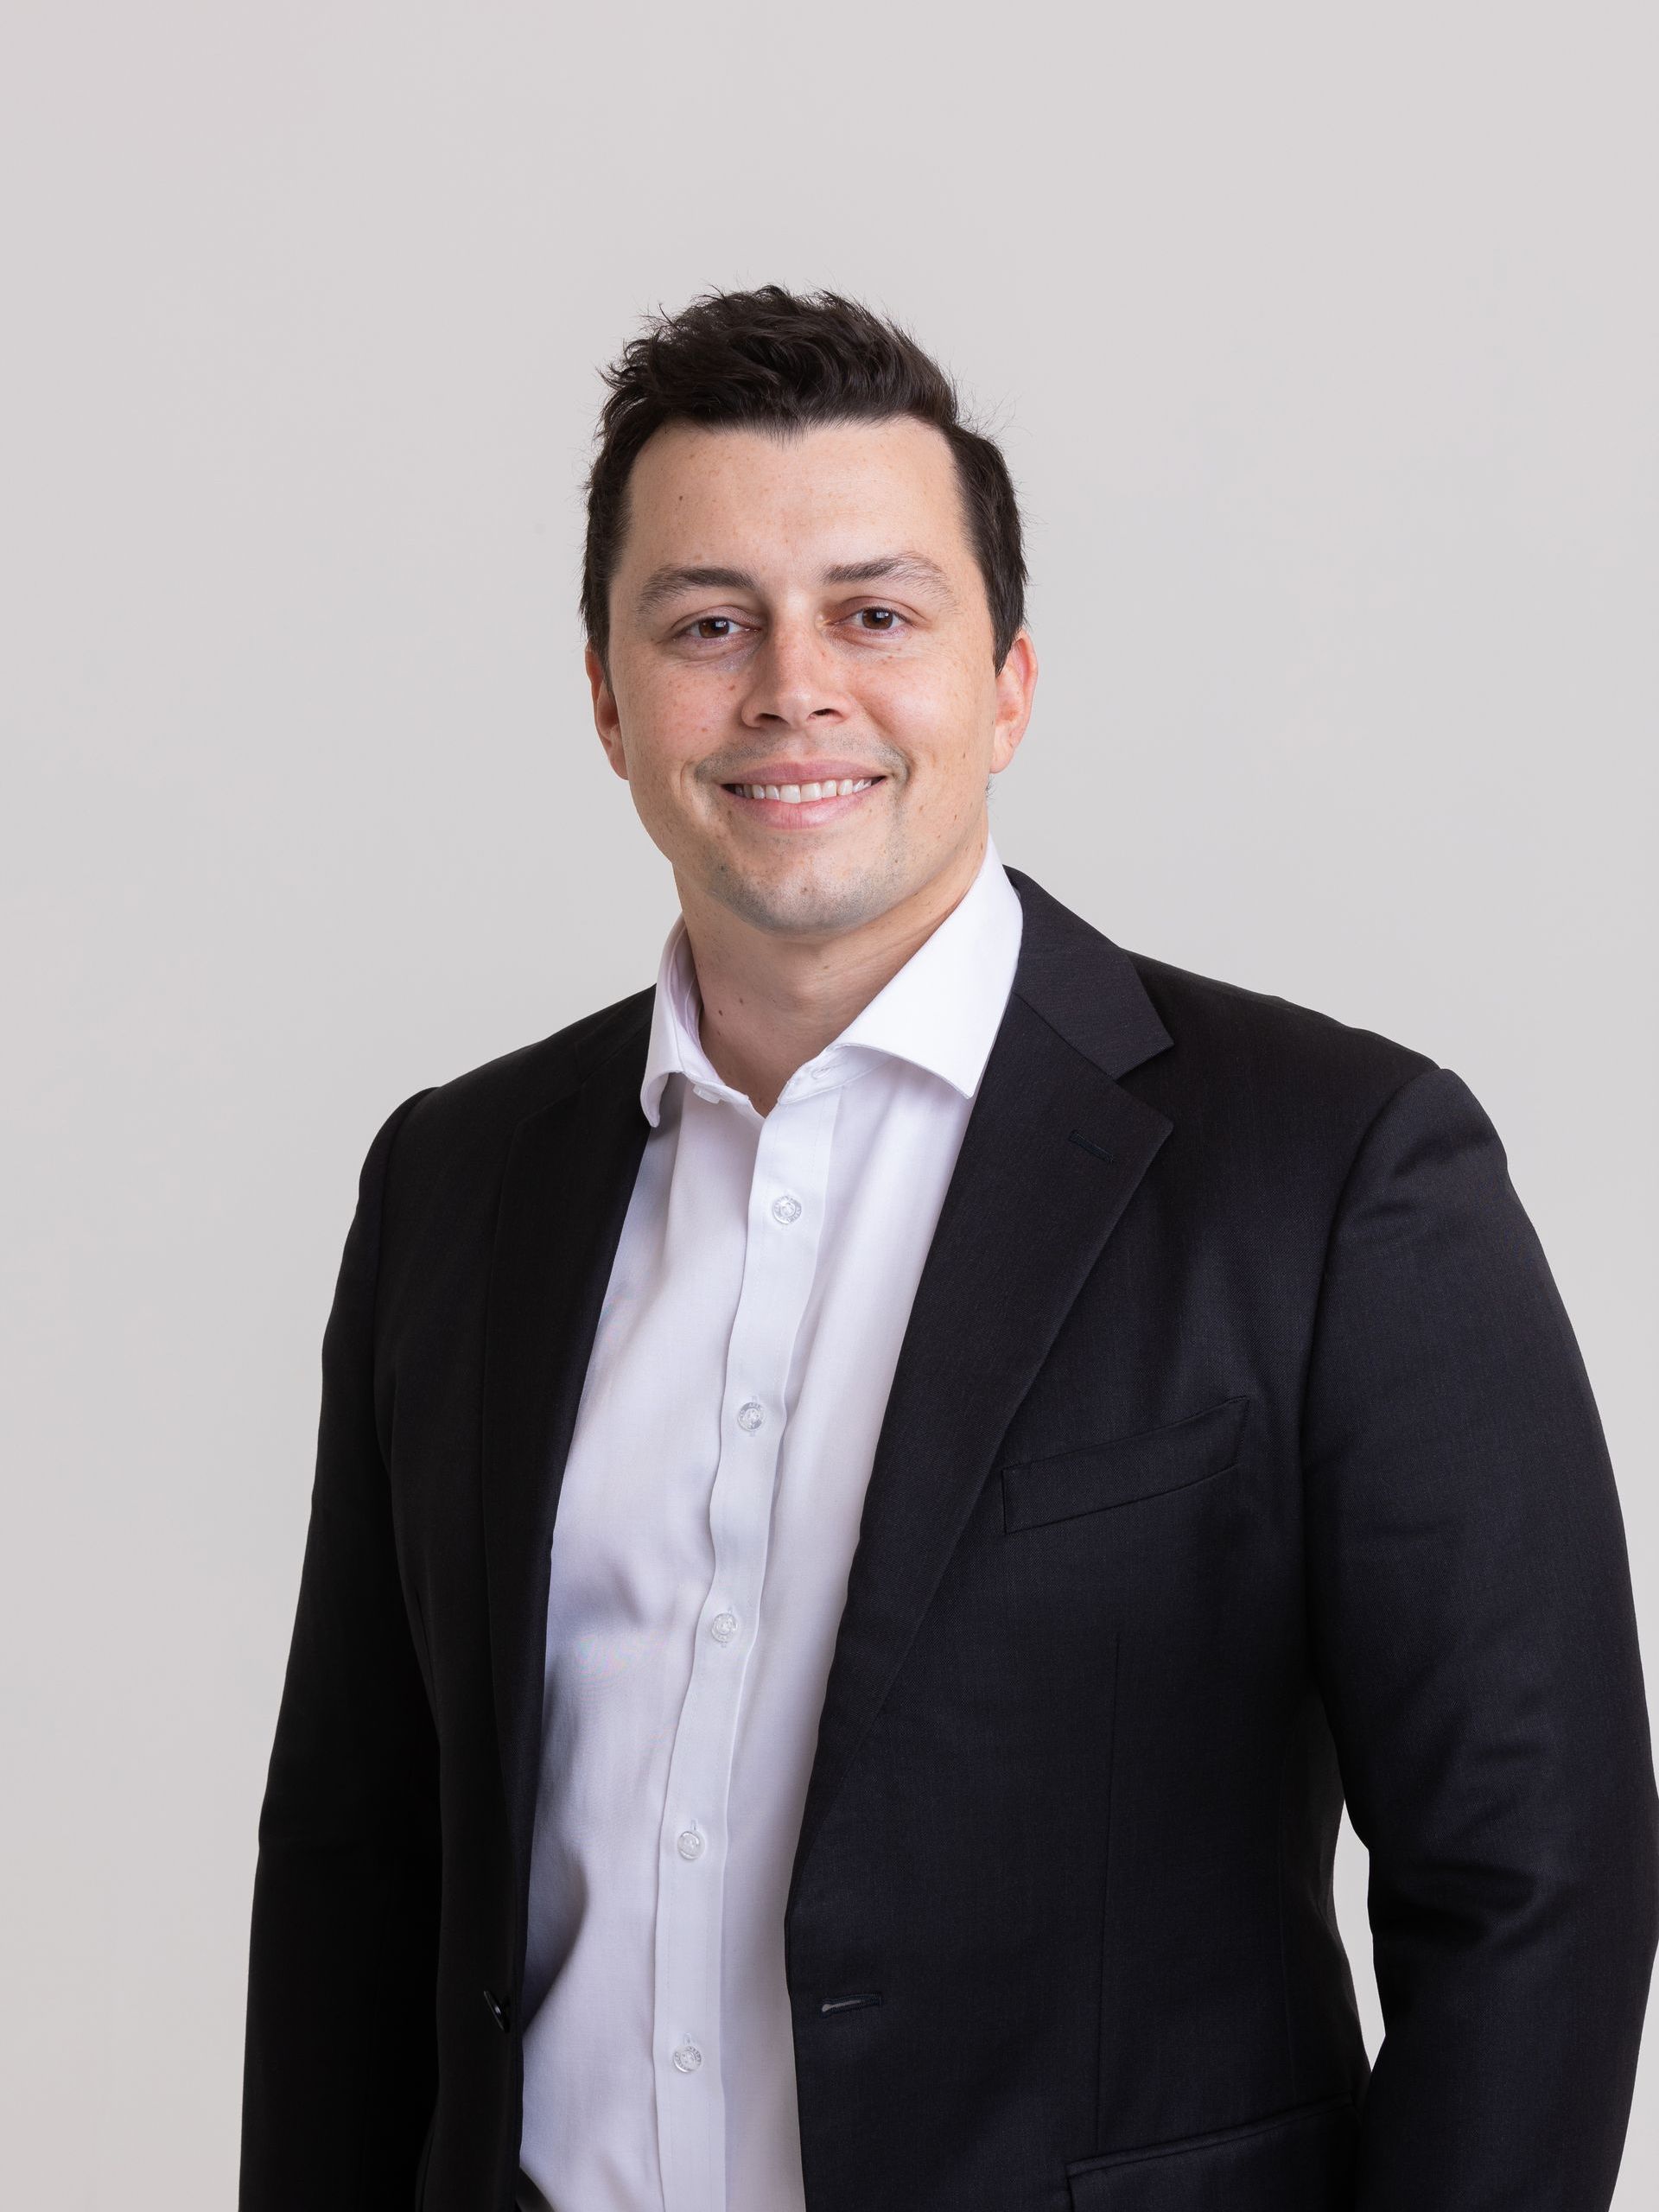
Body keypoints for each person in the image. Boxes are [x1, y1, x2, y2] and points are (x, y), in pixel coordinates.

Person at [238, 285, 1659, 2212]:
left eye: (877, 614)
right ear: (609, 700)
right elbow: (355, 1861)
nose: (791, 687)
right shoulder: (456, 1183)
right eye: (708, 622)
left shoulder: (1334, 1173)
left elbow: (1537, 1879)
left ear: (1008, 687)